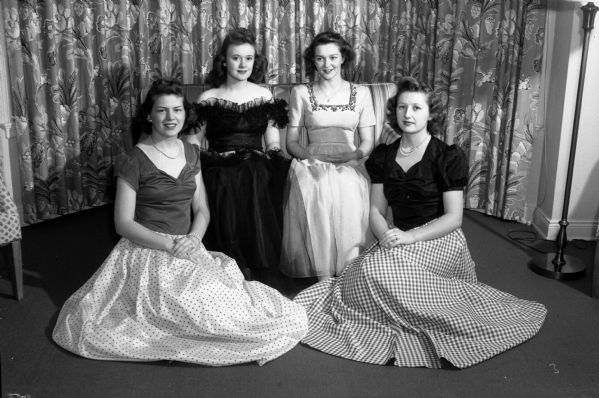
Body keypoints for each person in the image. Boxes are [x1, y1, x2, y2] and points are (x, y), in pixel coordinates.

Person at [293, 76, 547, 369]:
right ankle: (397, 309)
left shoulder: (446, 156)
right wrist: (386, 235)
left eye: (416, 108)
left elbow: (454, 218)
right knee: (359, 274)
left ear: (431, 114)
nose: (408, 114)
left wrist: (410, 238)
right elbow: (376, 210)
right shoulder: (383, 156)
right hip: (398, 238)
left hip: (438, 239)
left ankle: (433, 312)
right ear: (394, 112)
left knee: (375, 272)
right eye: (402, 107)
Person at [52, 78, 307, 366]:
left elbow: (202, 210)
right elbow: (123, 224)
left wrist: (194, 239)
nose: (171, 118)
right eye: (162, 111)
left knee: (234, 309)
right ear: (149, 115)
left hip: (188, 247)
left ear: (185, 114)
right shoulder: (132, 160)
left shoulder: (191, 153)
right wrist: (170, 244)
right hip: (148, 251)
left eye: (177, 110)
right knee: (196, 313)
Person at [187, 28, 289, 280]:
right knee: (226, 179)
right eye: (236, 58)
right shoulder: (209, 98)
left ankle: (255, 268)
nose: (243, 64)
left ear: (255, 61)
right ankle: (229, 269)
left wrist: (275, 158)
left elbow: (272, 140)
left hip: (255, 166)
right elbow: (192, 143)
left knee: (255, 171)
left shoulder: (265, 95)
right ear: (224, 60)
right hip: (218, 167)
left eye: (249, 58)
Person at [280, 31, 376, 280]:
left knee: (348, 186)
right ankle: (323, 276)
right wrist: (311, 159)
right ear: (313, 60)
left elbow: (368, 142)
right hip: (312, 160)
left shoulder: (361, 93)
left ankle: (348, 273)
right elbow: (291, 143)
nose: (327, 64)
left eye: (333, 57)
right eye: (320, 58)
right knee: (318, 188)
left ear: (343, 57)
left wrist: (354, 155)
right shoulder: (301, 92)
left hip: (350, 159)